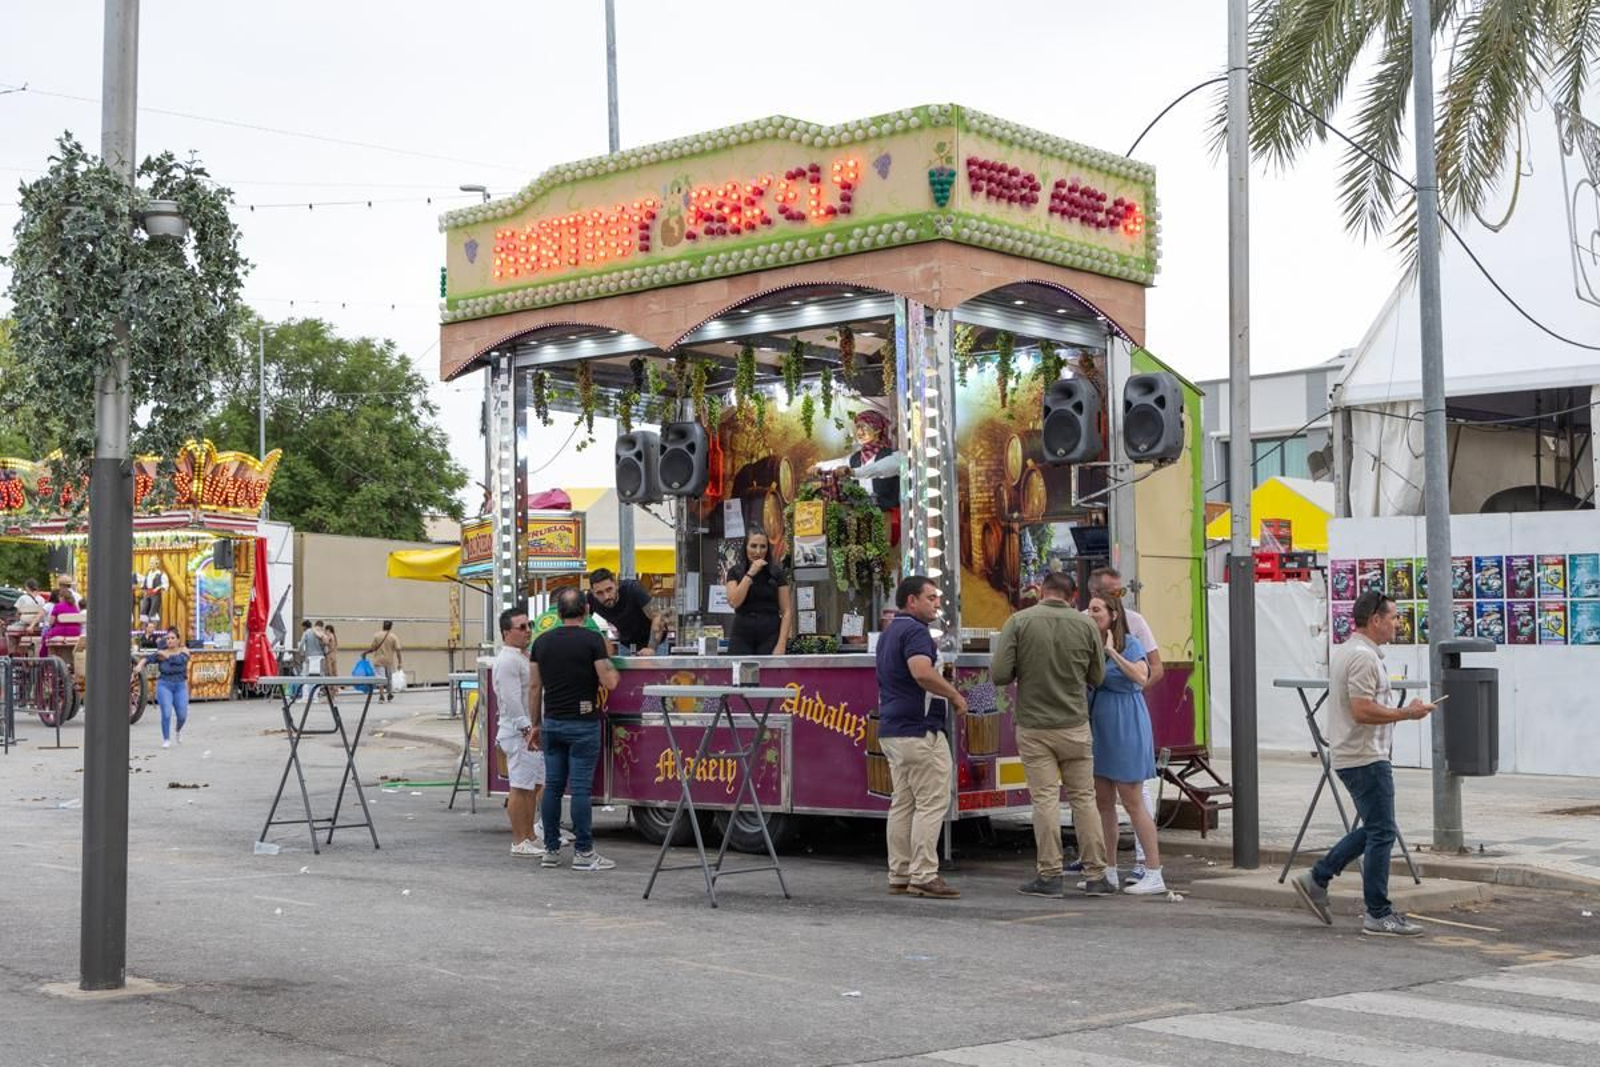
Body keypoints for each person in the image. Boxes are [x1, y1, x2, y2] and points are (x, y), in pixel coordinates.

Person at [1292, 591, 1433, 937]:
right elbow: (1362, 709)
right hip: (1364, 756)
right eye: (1394, 617)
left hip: (1358, 754)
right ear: (1375, 620)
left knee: (1376, 828)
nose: (1397, 624)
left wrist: (1402, 709)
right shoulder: (1362, 658)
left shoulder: (1354, 652)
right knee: (1382, 831)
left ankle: (1318, 878)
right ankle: (1377, 912)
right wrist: (1407, 713)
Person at [990, 571, 1114, 897]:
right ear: (1073, 596)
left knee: (1045, 800)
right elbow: (1098, 677)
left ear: (1040, 591)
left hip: (1035, 727)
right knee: (1084, 799)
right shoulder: (1086, 624)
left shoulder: (1019, 622)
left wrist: (1023, 668)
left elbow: (1000, 674)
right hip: (1075, 724)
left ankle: (1050, 876)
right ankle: (1097, 874)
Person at [875, 575, 967, 899]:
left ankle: (899, 873)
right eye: (930, 598)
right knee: (931, 803)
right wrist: (954, 695)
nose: (937, 603)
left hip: (893, 730)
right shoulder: (915, 632)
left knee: (903, 803)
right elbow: (921, 672)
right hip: (919, 729)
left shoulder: (888, 633)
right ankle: (924, 874)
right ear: (911, 601)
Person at [531, 588, 620, 871]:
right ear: (585, 611)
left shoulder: (541, 642)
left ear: (558, 613)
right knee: (580, 789)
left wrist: (535, 723)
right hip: (583, 724)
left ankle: (550, 850)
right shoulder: (592, 639)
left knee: (553, 788)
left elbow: (534, 687)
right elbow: (609, 682)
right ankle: (583, 852)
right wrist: (613, 670)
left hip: (552, 723)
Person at [1085, 593, 1168, 896]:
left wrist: (1112, 652)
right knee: (1103, 802)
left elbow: (1141, 678)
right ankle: (1108, 870)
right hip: (1100, 724)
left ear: (1113, 614)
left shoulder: (1129, 644)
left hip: (1126, 722)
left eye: (1096, 610)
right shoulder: (1089, 646)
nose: (1091, 614)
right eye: (1089, 609)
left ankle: (1154, 871)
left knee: (1132, 803)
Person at [493, 603, 546, 857]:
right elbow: (512, 700)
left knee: (531, 785)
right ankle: (519, 840)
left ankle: (530, 835)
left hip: (529, 730)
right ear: (506, 633)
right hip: (518, 732)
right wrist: (526, 728)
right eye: (521, 627)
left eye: (529, 626)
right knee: (521, 787)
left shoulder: (522, 656)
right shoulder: (507, 661)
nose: (527, 631)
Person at [724, 531, 792, 655]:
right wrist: (750, 574)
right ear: (746, 547)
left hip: (770, 633)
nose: (758, 551)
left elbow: (786, 611)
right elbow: (734, 601)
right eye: (753, 546)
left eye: (763, 546)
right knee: (739, 672)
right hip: (742, 633)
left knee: (768, 673)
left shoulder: (777, 573)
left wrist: (782, 644)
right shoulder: (735, 572)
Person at [587, 568, 663, 655]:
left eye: (609, 589)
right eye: (599, 593)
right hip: (626, 644)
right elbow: (581, 621)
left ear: (616, 585)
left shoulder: (632, 589)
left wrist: (651, 648)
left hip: (656, 642)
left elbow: (657, 616)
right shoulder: (590, 600)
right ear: (593, 593)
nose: (606, 596)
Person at [145, 627, 191, 748]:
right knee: (166, 713)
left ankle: (178, 730)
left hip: (180, 685)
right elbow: (148, 659)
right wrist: (139, 666)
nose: (169, 640)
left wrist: (168, 657)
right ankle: (166, 739)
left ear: (178, 640)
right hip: (164, 684)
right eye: (168, 638)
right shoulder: (162, 652)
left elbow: (181, 660)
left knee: (182, 715)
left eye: (172, 638)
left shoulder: (184, 650)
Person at [365, 620, 403, 702]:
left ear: (383, 626)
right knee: (389, 678)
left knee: (380, 678)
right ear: (391, 627)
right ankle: (389, 694)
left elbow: (373, 648)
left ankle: (381, 696)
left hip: (378, 660)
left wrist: (366, 653)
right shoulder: (393, 637)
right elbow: (398, 650)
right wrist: (400, 662)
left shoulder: (377, 636)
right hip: (388, 661)